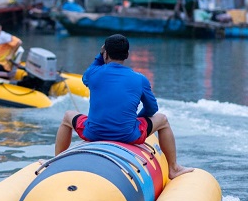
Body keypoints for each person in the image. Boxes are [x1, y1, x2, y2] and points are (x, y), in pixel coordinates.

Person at [54, 34, 193, 180]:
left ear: (105, 53)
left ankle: (56, 163)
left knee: (68, 116)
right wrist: (137, 120)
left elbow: (89, 73)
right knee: (162, 120)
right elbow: (152, 109)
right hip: (128, 136)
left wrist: (100, 55)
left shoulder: (93, 74)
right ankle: (173, 168)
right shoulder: (140, 79)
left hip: (93, 133)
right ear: (127, 55)